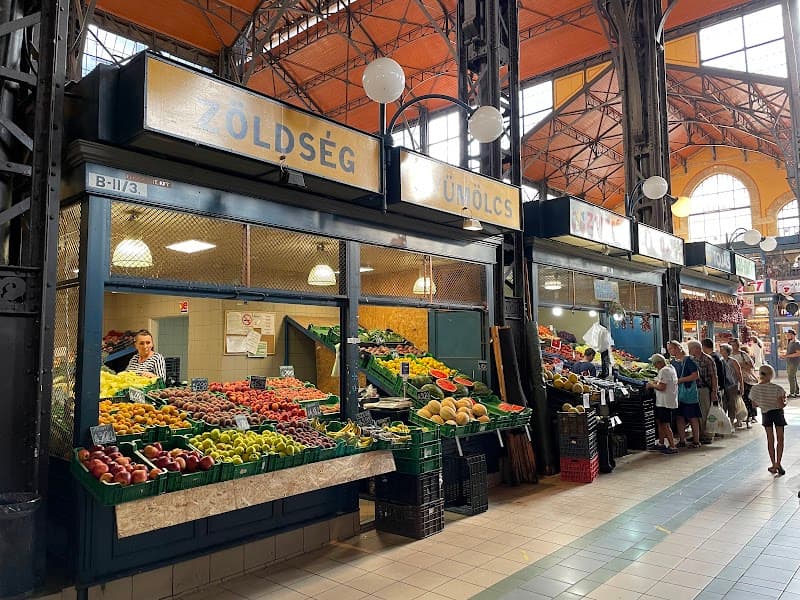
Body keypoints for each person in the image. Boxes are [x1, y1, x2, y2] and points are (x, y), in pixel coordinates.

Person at [749, 364, 787, 476]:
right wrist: (785, 401)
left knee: (770, 439)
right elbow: (781, 405)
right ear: (771, 375)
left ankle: (773, 464)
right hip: (778, 414)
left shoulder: (755, 389)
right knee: (780, 439)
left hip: (766, 414)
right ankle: (778, 463)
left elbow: (754, 405)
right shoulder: (778, 388)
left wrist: (764, 403)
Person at [667, 340, 701, 448]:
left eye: (671, 348)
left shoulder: (689, 360)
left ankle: (696, 441)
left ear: (678, 348)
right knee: (679, 416)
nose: (670, 351)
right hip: (677, 393)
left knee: (692, 417)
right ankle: (682, 440)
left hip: (689, 392)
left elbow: (695, 375)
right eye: (669, 349)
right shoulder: (672, 362)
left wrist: (680, 380)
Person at [646, 353, 678, 454]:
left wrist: (651, 385)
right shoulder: (670, 368)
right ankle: (661, 443)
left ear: (659, 363)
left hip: (665, 402)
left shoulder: (664, 371)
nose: (654, 366)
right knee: (660, 422)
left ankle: (672, 446)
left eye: (655, 364)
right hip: (666, 401)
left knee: (665, 424)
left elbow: (662, 387)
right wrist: (655, 382)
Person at [687, 340, 718, 444]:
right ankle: (698, 434)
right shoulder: (692, 359)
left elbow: (714, 376)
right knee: (697, 413)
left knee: (705, 412)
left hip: (704, 389)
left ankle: (708, 435)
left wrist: (714, 391)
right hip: (694, 389)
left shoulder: (708, 359)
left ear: (696, 348)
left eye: (690, 349)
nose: (689, 351)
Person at [730, 339, 758, 423]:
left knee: (748, 397)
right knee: (738, 398)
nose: (734, 347)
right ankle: (741, 416)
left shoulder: (743, 354)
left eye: (736, 345)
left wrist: (740, 365)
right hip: (734, 379)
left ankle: (752, 416)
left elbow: (751, 366)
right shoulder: (730, 355)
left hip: (746, 379)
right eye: (732, 345)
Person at [720, 343, 744, 429]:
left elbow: (739, 374)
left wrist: (741, 385)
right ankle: (724, 421)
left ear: (727, 351)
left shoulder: (733, 361)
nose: (720, 351)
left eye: (722, 350)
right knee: (723, 403)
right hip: (723, 385)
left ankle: (731, 421)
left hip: (732, 385)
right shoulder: (720, 361)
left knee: (732, 404)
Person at [781, 329, 800, 398]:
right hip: (789, 362)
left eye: (788, 335)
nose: (787, 336)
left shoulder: (797, 343)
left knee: (791, 377)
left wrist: (786, 356)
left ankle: (792, 393)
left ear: (793, 335)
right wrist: (784, 355)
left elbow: (798, 353)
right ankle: (796, 391)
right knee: (793, 377)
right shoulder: (790, 342)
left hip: (794, 362)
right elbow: (790, 352)